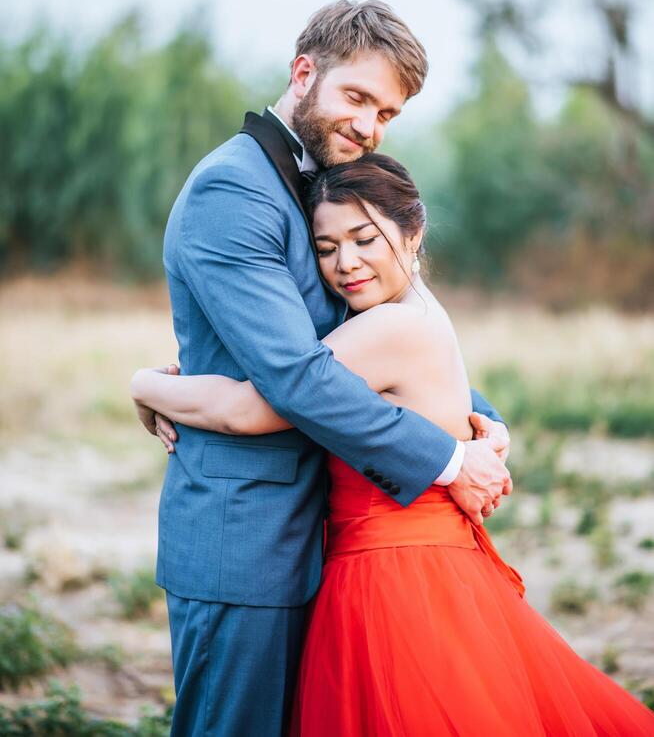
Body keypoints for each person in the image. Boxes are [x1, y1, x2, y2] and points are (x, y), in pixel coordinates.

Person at [133, 153, 654, 737]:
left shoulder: (391, 328)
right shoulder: (415, 313)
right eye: (326, 249)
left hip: (395, 582)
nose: (345, 265)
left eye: (364, 239)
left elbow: (247, 410)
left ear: (413, 231)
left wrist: (146, 384)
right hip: (421, 565)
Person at [133, 0, 511, 737]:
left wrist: (477, 417)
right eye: (358, 97)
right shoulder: (233, 190)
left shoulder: (324, 187)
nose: (369, 126)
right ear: (304, 73)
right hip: (246, 539)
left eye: (387, 114)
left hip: (328, 542)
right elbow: (298, 376)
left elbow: (377, 335)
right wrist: (446, 459)